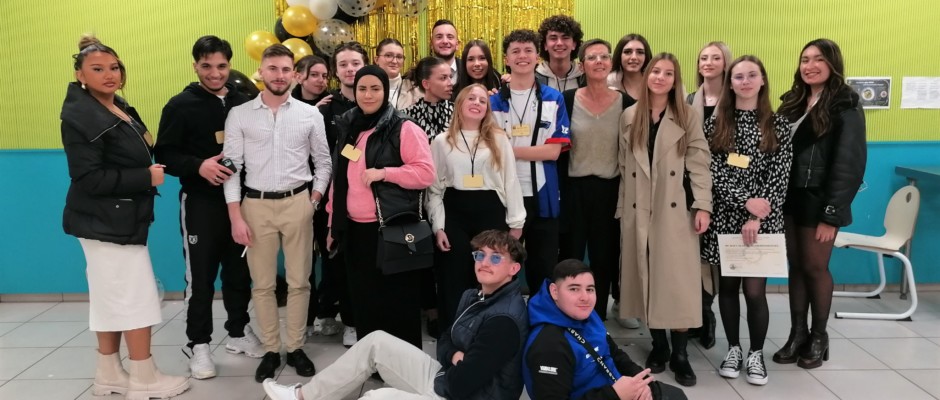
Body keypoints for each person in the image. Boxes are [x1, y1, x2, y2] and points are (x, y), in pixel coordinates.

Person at [62, 35, 190, 399]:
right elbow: (87, 178)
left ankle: (109, 373)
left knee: (109, 298)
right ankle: (143, 376)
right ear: (80, 75)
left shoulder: (116, 106)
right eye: (97, 69)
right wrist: (144, 177)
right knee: (136, 298)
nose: (109, 75)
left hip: (115, 218)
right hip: (106, 222)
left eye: (114, 67)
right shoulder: (80, 117)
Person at [262, 230, 529, 400]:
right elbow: (445, 340)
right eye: (480, 255)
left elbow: (462, 385)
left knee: (375, 398)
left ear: (514, 269)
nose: (484, 263)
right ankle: (302, 397)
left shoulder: (503, 320)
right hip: (446, 378)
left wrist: (455, 358)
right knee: (376, 341)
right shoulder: (474, 296)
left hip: (463, 395)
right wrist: (454, 356)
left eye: (496, 258)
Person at [154, 35, 263, 380]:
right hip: (201, 204)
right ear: (195, 66)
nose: (215, 73)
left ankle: (238, 332)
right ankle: (198, 344)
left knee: (238, 272)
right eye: (206, 66)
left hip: (241, 203)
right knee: (200, 277)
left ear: (229, 65)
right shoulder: (180, 105)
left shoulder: (245, 102)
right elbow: (165, 154)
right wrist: (199, 166)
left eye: (221, 66)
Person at [223, 44, 333, 382]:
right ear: (261, 70)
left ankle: (296, 346)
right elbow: (231, 168)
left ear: (294, 74)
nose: (279, 75)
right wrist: (236, 216)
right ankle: (271, 349)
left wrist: (314, 199)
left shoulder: (309, 114)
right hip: (255, 206)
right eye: (272, 68)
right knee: (263, 284)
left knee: (300, 281)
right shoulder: (240, 114)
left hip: (298, 202)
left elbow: (323, 162)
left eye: (286, 69)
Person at [617, 53, 712, 387]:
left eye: (668, 73)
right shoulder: (630, 115)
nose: (660, 77)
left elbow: (699, 162)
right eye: (655, 71)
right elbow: (624, 167)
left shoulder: (687, 115)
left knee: (677, 282)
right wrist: (622, 210)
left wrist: (703, 205)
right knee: (646, 279)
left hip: (675, 209)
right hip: (638, 209)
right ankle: (659, 345)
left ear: (675, 80)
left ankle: (680, 353)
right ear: (647, 76)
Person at [326, 65, 435, 348]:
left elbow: (425, 173)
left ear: (385, 91)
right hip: (354, 231)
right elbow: (339, 179)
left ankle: (404, 363)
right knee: (365, 304)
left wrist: (385, 173)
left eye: (375, 88)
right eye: (362, 88)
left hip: (391, 229)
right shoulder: (350, 126)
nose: (368, 95)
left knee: (398, 305)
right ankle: (372, 360)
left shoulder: (403, 127)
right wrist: (332, 223)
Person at [773, 38, 866, 369]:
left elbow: (849, 164)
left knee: (815, 267)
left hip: (819, 200)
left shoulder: (846, 104)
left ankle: (818, 336)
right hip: (790, 197)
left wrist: (832, 214)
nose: (809, 66)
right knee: (796, 266)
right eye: (805, 59)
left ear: (832, 64)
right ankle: (797, 334)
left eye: (818, 59)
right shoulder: (792, 102)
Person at [703, 55, 792, 386]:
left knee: (755, 291)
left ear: (763, 80)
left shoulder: (778, 124)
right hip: (726, 217)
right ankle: (734, 349)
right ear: (730, 83)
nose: (745, 81)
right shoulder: (715, 123)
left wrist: (756, 214)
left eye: (751, 75)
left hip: (763, 221)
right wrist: (744, 202)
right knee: (727, 288)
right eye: (738, 76)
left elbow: (780, 174)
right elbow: (713, 171)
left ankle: (756, 353)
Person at [428, 83, 526, 332]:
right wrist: (439, 227)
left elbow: (511, 180)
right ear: (459, 103)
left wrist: (516, 223)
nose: (477, 103)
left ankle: (489, 331)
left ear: (487, 109)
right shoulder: (441, 141)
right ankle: (453, 333)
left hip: (490, 211)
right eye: (471, 98)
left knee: (491, 273)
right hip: (455, 212)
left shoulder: (499, 139)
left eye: (482, 100)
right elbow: (434, 189)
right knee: (453, 276)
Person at [523, 260, 685, 400]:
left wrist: (643, 384)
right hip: (610, 394)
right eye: (574, 289)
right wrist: (615, 394)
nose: (585, 297)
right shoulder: (549, 345)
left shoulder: (587, 314)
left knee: (676, 395)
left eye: (590, 289)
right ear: (554, 291)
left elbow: (614, 354)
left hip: (616, 389)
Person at [557, 39, 634, 323]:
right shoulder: (566, 100)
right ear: (582, 66)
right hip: (574, 190)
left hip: (610, 190)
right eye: (592, 57)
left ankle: (597, 319)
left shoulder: (627, 104)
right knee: (571, 256)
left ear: (611, 63)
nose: (599, 61)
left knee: (604, 258)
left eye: (604, 56)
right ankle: (567, 317)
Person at [490, 29, 571, 296]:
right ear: (506, 59)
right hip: (503, 195)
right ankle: (502, 315)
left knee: (543, 266)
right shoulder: (492, 102)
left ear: (538, 57)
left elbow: (553, 152)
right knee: (501, 265)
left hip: (543, 195)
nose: (522, 56)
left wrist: (508, 149)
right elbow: (489, 151)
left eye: (528, 51)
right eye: (515, 51)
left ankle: (540, 316)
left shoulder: (553, 99)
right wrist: (531, 150)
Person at [315, 41, 370, 347]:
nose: (350, 69)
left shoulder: (373, 102)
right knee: (335, 258)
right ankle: (343, 317)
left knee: (363, 260)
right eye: (344, 64)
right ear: (335, 71)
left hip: (368, 194)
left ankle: (360, 318)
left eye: (355, 63)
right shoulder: (326, 108)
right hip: (333, 194)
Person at [684, 41, 732, 350]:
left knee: (716, 258)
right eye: (704, 57)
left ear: (726, 63)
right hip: (694, 188)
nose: (709, 62)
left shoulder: (736, 100)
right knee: (696, 254)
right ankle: (698, 313)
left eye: (716, 57)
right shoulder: (689, 100)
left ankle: (709, 313)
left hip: (729, 192)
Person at [403, 56, 455, 141]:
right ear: (426, 84)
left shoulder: (459, 113)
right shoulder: (407, 116)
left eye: (450, 77)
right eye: (443, 78)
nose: (450, 83)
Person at [536, 15, 585, 92]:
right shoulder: (533, 79)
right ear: (545, 45)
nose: (559, 43)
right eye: (553, 38)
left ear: (574, 44)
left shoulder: (585, 79)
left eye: (565, 38)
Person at [375, 38, 419, 110]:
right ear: (376, 60)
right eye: (388, 55)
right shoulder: (366, 88)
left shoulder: (414, 90)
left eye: (399, 57)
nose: (394, 61)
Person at [608, 34, 652, 101]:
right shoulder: (608, 84)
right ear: (619, 55)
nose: (634, 57)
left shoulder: (655, 82)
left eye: (640, 52)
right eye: (628, 52)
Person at [431, 19, 461, 85]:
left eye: (450, 37)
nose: (445, 41)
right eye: (439, 37)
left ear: (457, 44)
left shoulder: (468, 71)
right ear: (431, 44)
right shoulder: (419, 74)